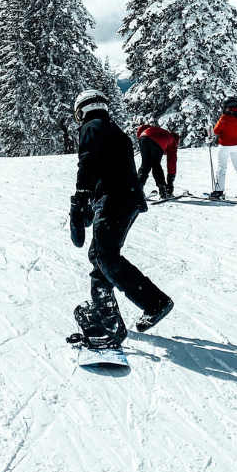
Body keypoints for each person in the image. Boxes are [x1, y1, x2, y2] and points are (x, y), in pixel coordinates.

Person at [67, 89, 174, 349]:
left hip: (115, 200)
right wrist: (92, 201)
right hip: (122, 199)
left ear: (82, 111)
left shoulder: (92, 126)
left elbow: (88, 161)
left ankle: (154, 301)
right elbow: (109, 167)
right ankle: (104, 312)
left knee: (104, 255)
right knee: (100, 255)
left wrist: (81, 196)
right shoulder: (113, 130)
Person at [136, 123, 179, 199]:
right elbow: (172, 163)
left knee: (145, 165)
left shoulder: (161, 131)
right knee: (156, 165)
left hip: (143, 137)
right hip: (159, 140)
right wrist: (170, 183)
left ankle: (137, 190)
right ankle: (163, 192)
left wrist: (140, 136)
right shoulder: (173, 142)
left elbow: (142, 127)